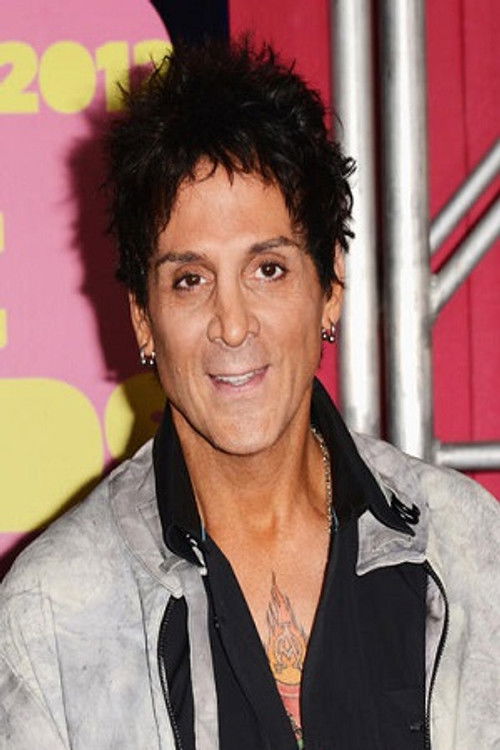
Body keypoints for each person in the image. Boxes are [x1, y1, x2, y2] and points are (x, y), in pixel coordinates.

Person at [0, 38, 498, 750]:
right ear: (142, 317)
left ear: (330, 286)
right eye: (190, 280)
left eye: (268, 269)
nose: (232, 325)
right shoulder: (51, 613)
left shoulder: (468, 549)